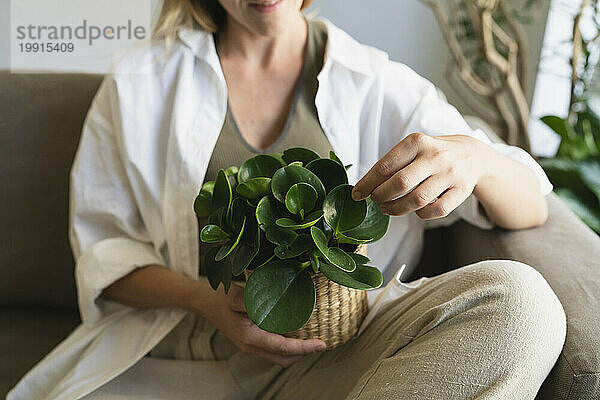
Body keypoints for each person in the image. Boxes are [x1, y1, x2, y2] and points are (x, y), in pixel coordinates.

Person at [8, 0, 566, 399]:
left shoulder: (373, 81)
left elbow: (530, 205)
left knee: (524, 306)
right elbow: (103, 252)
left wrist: (474, 156)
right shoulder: (140, 83)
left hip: (346, 358)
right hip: (191, 361)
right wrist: (206, 302)